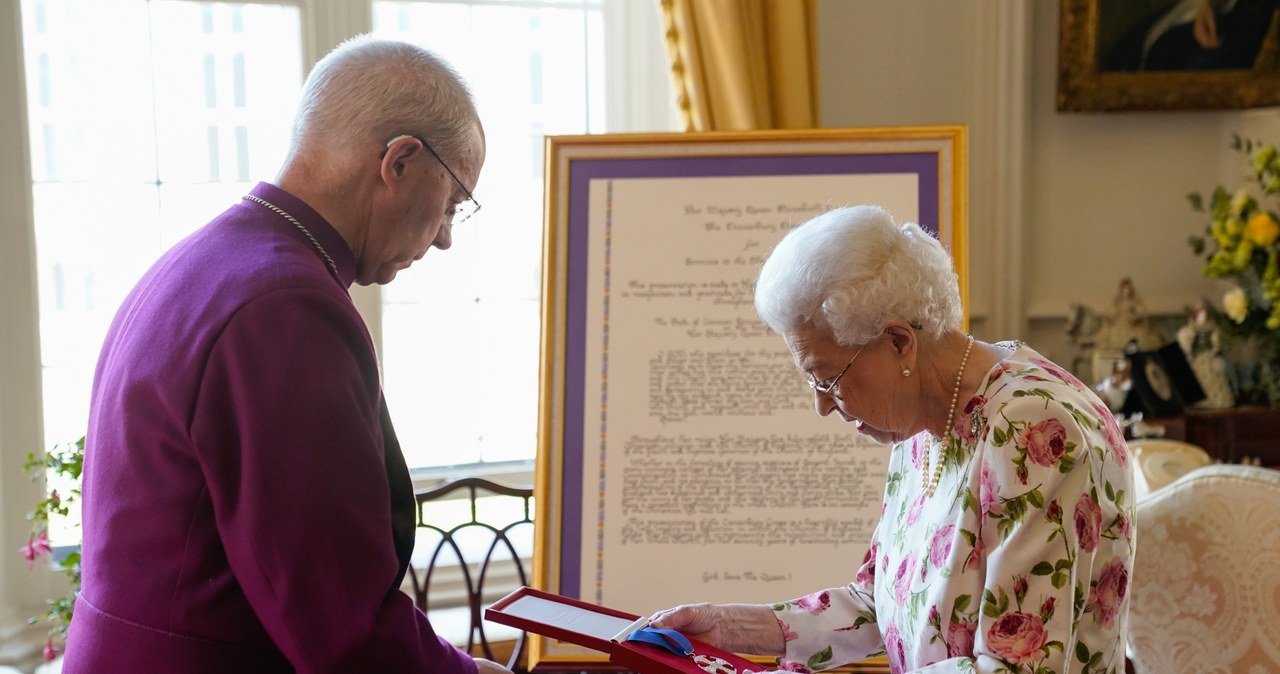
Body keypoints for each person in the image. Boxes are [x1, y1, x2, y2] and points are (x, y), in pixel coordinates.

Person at [62, 36, 508, 674]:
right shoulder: (287, 307)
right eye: (455, 202)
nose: (443, 238)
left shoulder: (207, 259)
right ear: (400, 161)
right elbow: (336, 618)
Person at [648, 206, 1135, 673]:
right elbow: (878, 601)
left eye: (825, 377)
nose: (821, 404)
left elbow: (1015, 668)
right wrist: (729, 626)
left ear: (899, 342)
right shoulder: (924, 415)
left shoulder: (1035, 427)